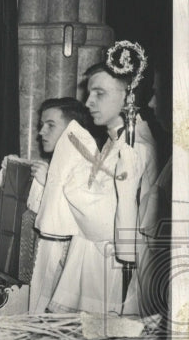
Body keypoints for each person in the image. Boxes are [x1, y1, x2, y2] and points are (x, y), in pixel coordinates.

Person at [83, 55, 161, 316]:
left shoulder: (135, 145)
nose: (88, 102)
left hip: (119, 265)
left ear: (129, 98)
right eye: (89, 93)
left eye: (99, 93)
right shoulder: (114, 140)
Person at [22, 97, 100, 313]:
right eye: (41, 125)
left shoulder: (87, 162)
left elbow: (83, 215)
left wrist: (48, 183)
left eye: (50, 125)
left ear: (72, 130)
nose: (41, 132)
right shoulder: (54, 164)